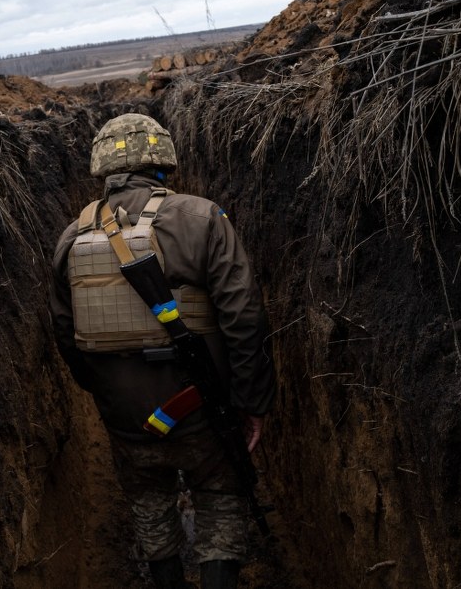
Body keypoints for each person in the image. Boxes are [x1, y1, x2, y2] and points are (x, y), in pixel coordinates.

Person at [49, 113, 275, 589]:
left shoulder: (71, 238)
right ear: (163, 160)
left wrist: (107, 393)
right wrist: (250, 401)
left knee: (149, 505)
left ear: (102, 167)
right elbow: (244, 317)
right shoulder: (202, 217)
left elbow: (66, 336)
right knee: (219, 501)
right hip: (203, 409)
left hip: (125, 416)